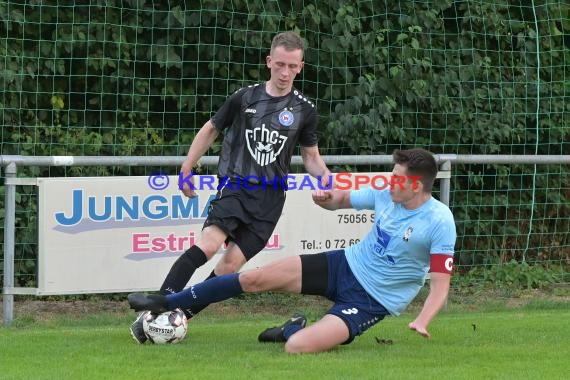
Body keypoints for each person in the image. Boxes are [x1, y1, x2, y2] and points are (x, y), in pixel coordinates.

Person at [128, 148, 457, 353]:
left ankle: (291, 329)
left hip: (372, 300)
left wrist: (423, 320)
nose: (389, 181)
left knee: (298, 348)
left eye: (397, 178)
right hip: (344, 264)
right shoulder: (387, 193)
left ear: (416, 185)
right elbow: (342, 201)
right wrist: (328, 202)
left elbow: (440, 285)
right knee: (256, 278)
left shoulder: (439, 222)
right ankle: (166, 302)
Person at [129, 31, 332, 343]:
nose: (284, 72)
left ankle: (173, 318)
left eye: (292, 67)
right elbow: (212, 128)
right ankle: (162, 301)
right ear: (269, 62)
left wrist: (327, 181)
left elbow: (311, 157)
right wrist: (187, 167)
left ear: (300, 67)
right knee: (209, 244)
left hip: (271, 199)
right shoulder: (245, 97)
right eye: (279, 64)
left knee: (230, 267)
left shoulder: (304, 109)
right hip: (235, 185)